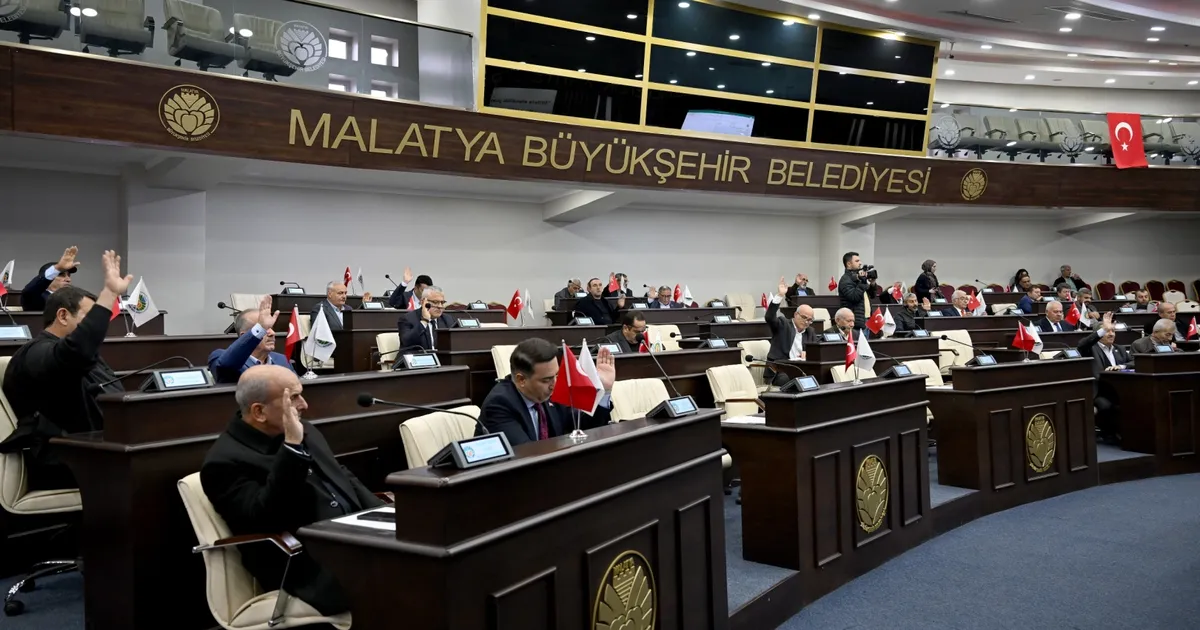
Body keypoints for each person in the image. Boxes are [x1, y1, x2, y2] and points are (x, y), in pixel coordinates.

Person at [200, 365, 383, 616]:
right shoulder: (223, 462)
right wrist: (292, 449)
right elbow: (265, 517)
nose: (304, 405)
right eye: (293, 398)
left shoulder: (304, 428)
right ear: (259, 412)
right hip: (306, 564)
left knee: (423, 551)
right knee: (410, 576)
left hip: (354, 540)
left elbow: (342, 476)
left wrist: (387, 515)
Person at [0, 250, 130, 490]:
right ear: (62, 316)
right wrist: (109, 294)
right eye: (88, 317)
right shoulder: (35, 353)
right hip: (65, 458)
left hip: (100, 447)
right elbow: (74, 354)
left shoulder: (84, 358)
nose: (96, 328)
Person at [478, 338, 614, 445]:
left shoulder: (548, 394)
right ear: (521, 379)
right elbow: (525, 453)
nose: (554, 384)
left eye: (556, 375)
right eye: (546, 380)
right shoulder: (499, 404)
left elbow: (582, 427)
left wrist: (604, 390)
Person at [208, 296, 293, 383]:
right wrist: (260, 329)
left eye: (271, 328)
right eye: (264, 329)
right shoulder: (221, 357)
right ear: (244, 336)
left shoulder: (282, 360)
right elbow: (226, 365)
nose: (272, 333)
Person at [1077, 312, 1133, 443]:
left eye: (1113, 331)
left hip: (1119, 388)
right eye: (1108, 331)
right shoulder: (1091, 349)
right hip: (1099, 391)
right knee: (1107, 405)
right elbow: (1082, 345)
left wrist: (1121, 366)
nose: (1111, 334)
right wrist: (1103, 329)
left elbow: (1135, 361)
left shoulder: (1120, 349)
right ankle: (1109, 433)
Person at [764, 277, 817, 386]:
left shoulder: (810, 332)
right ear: (795, 314)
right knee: (792, 380)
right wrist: (780, 295)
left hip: (801, 369)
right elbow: (769, 317)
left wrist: (809, 354)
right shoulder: (783, 324)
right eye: (804, 317)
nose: (806, 322)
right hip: (780, 371)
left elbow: (816, 352)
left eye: (810, 320)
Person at [19, 246, 79, 312]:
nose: (68, 279)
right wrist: (57, 269)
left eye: (69, 275)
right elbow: (29, 292)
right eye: (61, 275)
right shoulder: (38, 297)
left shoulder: (75, 297)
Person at [399, 285, 455, 350]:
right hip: (417, 355)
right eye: (435, 302)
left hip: (440, 356)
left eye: (442, 302)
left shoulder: (448, 319)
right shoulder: (407, 319)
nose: (440, 306)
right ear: (423, 302)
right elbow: (407, 342)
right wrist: (424, 321)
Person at [837, 251, 875, 333]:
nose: (860, 263)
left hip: (866, 319)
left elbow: (872, 295)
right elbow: (854, 297)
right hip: (854, 322)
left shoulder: (859, 278)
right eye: (857, 261)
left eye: (860, 260)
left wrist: (872, 283)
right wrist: (862, 282)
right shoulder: (845, 280)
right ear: (849, 264)